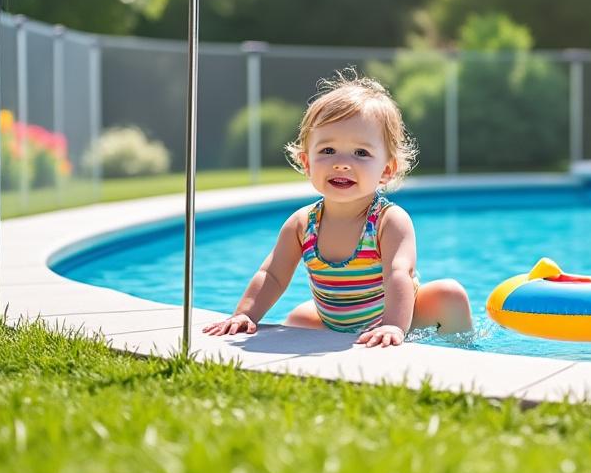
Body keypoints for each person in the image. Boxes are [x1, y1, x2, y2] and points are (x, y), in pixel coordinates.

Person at [202, 72, 473, 347]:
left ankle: (463, 352)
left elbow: (398, 275)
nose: (341, 163)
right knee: (297, 319)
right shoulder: (301, 224)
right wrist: (244, 314)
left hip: (404, 316)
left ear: (387, 170)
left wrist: (394, 325)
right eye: (328, 150)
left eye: (361, 153)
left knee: (449, 295)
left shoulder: (388, 221)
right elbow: (271, 275)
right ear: (307, 163)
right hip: (333, 321)